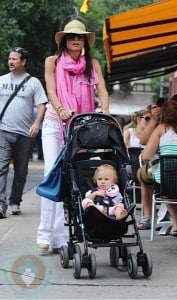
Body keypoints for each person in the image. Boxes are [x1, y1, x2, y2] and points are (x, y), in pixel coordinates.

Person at [36, 19, 109, 254]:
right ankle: (46, 234)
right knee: (52, 173)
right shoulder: (52, 61)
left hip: (80, 125)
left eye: (78, 37)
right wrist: (59, 109)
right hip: (55, 123)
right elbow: (51, 90)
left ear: (84, 40)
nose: (75, 40)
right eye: (70, 37)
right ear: (64, 40)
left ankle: (64, 234)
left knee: (74, 176)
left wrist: (105, 109)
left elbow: (103, 90)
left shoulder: (93, 63)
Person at [0, 47, 47, 218]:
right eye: (9, 58)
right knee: (1, 168)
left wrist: (36, 124)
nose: (11, 61)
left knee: (21, 170)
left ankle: (15, 200)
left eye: (14, 59)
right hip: (3, 130)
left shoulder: (33, 82)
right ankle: (1, 204)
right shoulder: (1, 80)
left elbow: (42, 105)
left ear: (23, 62)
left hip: (25, 134)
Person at [141, 100, 177, 236]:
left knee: (167, 183)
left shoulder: (161, 128)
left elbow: (146, 156)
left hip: (167, 183)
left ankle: (176, 225)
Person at [123, 109, 154, 230]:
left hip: (147, 167)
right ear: (139, 119)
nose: (149, 121)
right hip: (133, 167)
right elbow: (124, 146)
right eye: (147, 118)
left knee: (148, 173)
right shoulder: (129, 132)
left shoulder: (153, 134)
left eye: (151, 119)